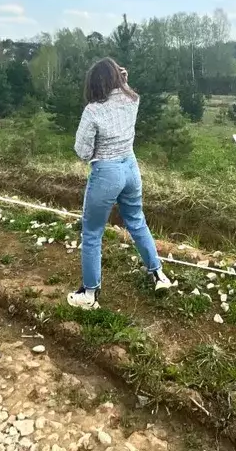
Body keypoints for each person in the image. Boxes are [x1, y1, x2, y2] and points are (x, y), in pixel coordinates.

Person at [67, 57, 173, 310]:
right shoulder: (132, 100)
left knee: (92, 232)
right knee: (137, 220)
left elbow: (82, 152)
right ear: (118, 78)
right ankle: (158, 274)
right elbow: (129, 91)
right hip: (130, 166)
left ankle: (89, 293)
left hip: (106, 171)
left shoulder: (93, 110)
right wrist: (124, 80)